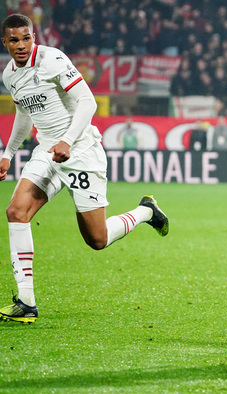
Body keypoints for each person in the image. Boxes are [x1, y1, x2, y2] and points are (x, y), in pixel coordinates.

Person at [0, 14, 169, 324]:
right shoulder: (10, 75)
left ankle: (146, 211)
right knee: (16, 211)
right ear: (5, 43)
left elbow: (87, 102)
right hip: (48, 152)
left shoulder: (52, 60)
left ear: (33, 36)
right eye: (14, 40)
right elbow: (24, 113)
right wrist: (9, 153)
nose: (21, 45)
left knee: (97, 239)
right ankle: (26, 302)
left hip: (80, 151)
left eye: (26, 38)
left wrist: (67, 140)